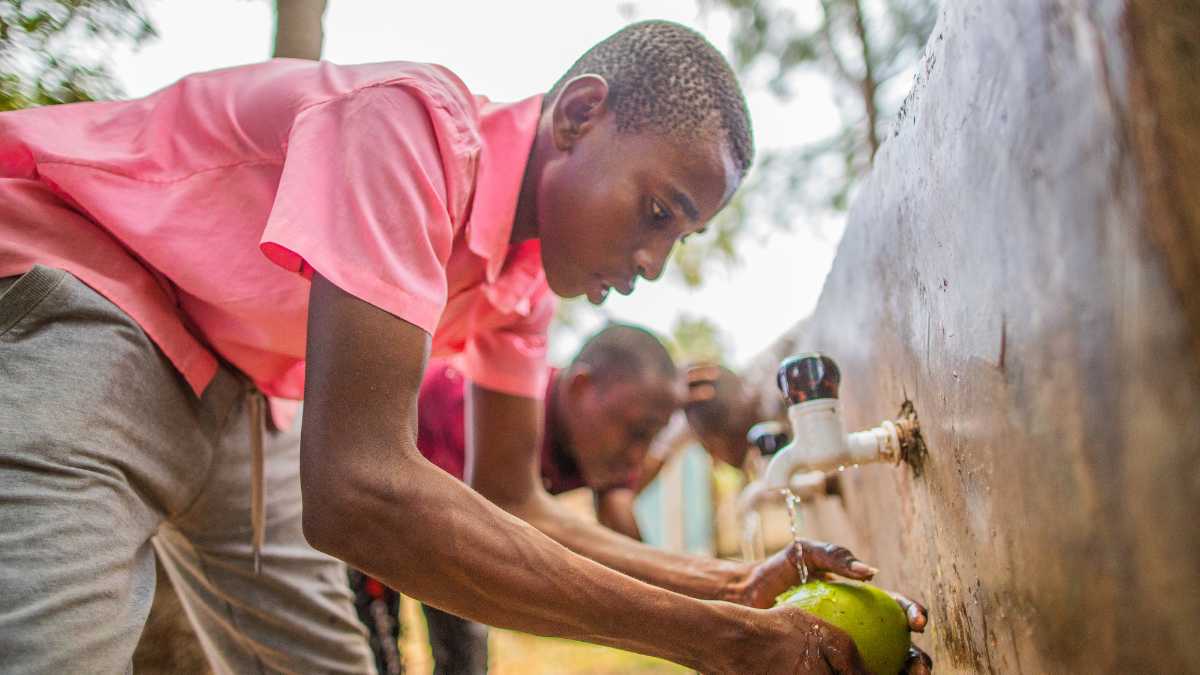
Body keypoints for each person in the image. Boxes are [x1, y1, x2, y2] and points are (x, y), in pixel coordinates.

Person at [0, 18, 928, 674]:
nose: (650, 262)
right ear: (577, 116)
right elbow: (358, 490)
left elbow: (512, 498)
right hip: (87, 290)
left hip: (239, 388)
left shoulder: (521, 286)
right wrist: (711, 640)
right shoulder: (409, 130)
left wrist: (730, 590)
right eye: (656, 212)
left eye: (676, 238)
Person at [351, 322, 680, 674]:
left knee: (466, 658)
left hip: (455, 538)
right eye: (636, 434)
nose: (637, 457)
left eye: (651, 439)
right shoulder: (481, 406)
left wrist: (683, 603)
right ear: (581, 389)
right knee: (372, 655)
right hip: (372, 508)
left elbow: (621, 537)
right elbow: (466, 542)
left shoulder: (604, 439)